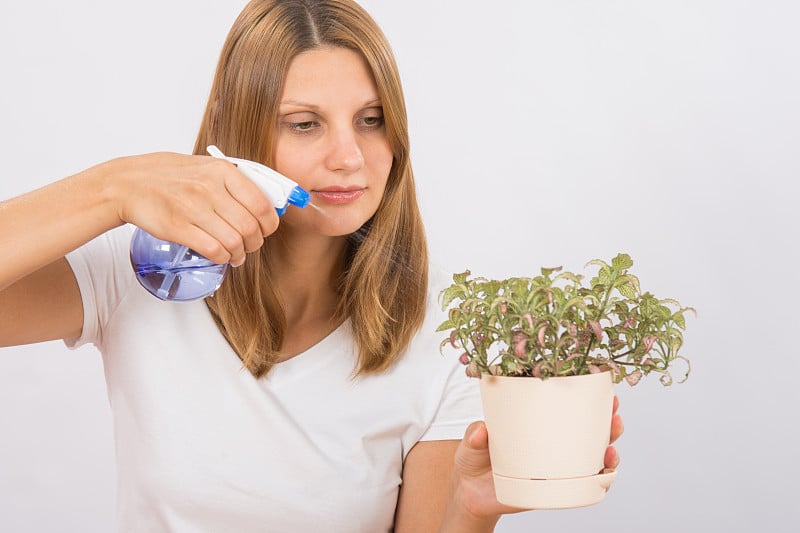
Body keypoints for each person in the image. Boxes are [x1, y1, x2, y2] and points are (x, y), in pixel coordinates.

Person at [0, 0, 623, 531]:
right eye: (304, 124)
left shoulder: (447, 337)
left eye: (371, 121)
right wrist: (112, 187)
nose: (348, 156)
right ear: (236, 130)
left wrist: (474, 512)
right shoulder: (142, 269)